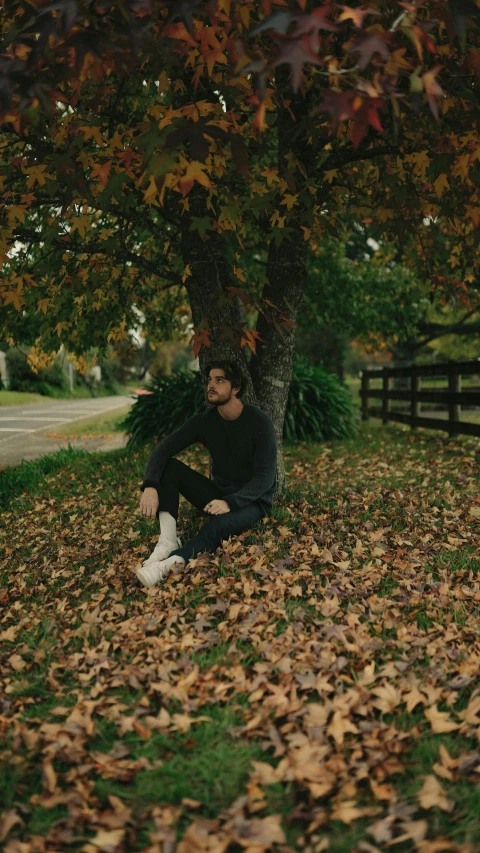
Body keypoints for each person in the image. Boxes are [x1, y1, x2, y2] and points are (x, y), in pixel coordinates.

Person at [136, 361, 277, 588]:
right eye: (209, 380)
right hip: (218, 492)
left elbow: (265, 478)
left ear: (236, 388)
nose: (211, 385)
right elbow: (163, 450)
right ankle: (168, 540)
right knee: (170, 467)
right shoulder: (205, 421)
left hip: (253, 502)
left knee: (215, 527)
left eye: (219, 380)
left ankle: (168, 565)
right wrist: (150, 486)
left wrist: (230, 502)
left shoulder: (259, 422)